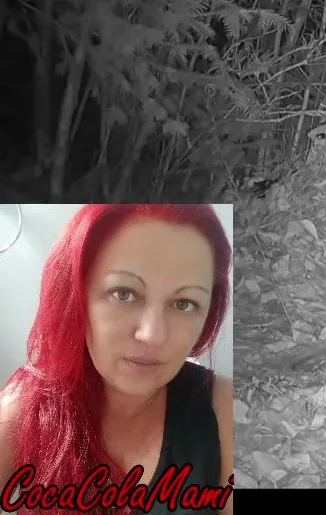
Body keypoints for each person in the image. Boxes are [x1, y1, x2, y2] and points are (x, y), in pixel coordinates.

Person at [0, 204, 234, 514]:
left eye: (184, 303)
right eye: (124, 294)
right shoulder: (25, 409)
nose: (152, 335)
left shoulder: (222, 408)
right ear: (75, 297)